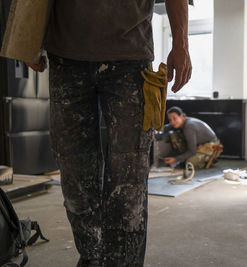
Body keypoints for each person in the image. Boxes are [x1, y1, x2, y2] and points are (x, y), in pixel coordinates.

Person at [25, 1, 192, 266]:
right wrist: (28, 35)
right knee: (75, 175)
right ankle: (91, 257)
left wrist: (181, 44)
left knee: (129, 178)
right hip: (66, 56)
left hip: (130, 57)